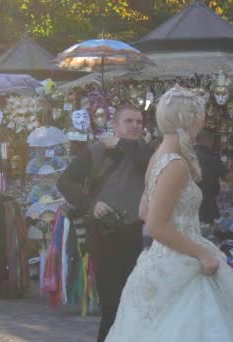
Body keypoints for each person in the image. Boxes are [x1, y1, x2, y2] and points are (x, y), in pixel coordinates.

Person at [105, 86, 233, 341]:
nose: (203, 121)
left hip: (164, 259)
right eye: (200, 115)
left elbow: (144, 209)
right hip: (181, 262)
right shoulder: (175, 164)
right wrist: (202, 253)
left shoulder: (158, 157)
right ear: (189, 119)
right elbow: (154, 224)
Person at [57, 104, 152, 342]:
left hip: (133, 234)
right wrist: (90, 205)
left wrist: (120, 145)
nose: (135, 126)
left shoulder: (147, 152)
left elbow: (145, 163)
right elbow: (65, 182)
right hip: (103, 234)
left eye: (139, 122)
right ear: (115, 125)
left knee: (131, 301)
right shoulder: (97, 151)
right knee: (111, 303)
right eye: (129, 121)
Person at [194, 128, 227, 226]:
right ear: (209, 140)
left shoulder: (187, 155)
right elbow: (228, 176)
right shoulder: (212, 157)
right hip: (207, 205)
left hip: (188, 206)